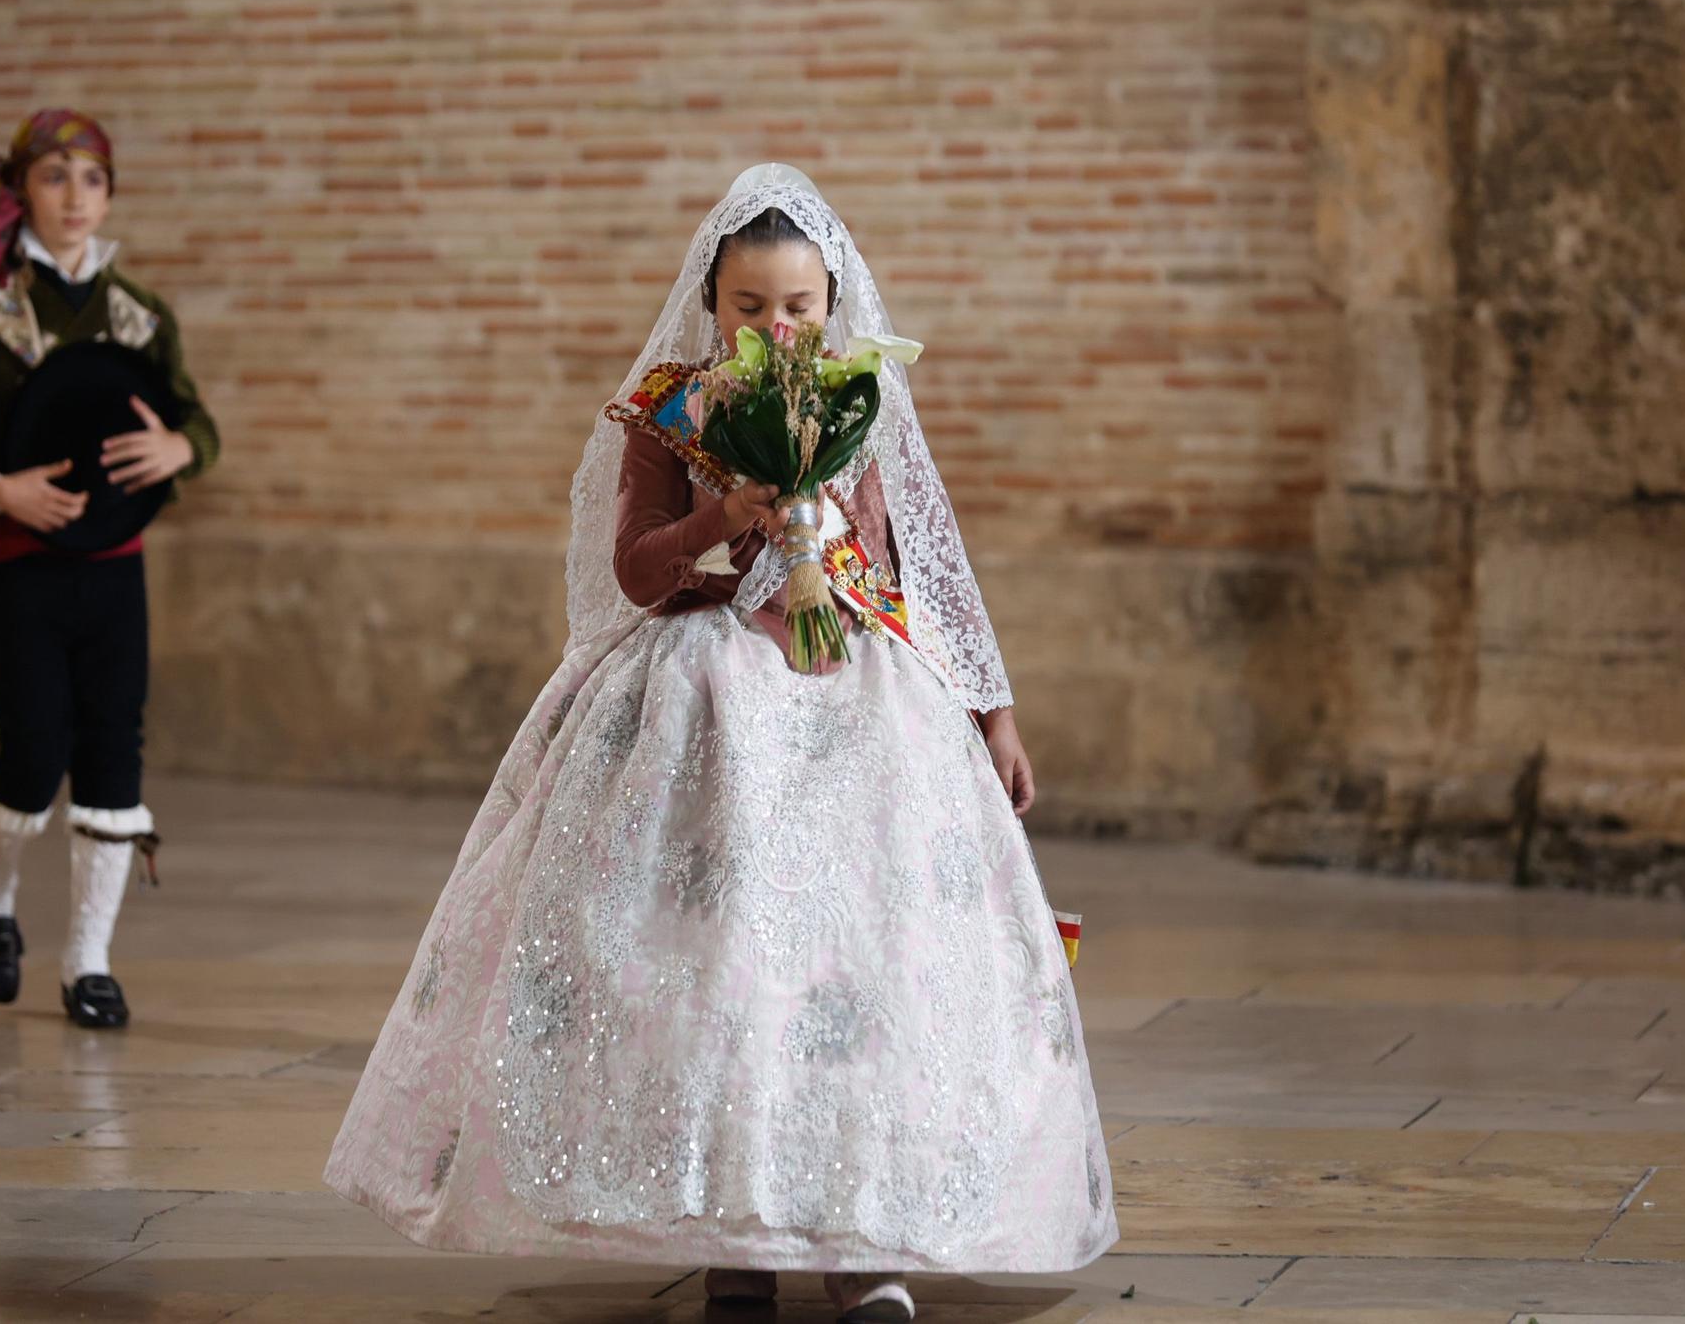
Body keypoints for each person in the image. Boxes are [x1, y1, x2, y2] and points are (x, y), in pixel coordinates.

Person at [324, 165, 1115, 1322]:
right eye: (750, 307)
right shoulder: (670, 408)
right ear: (712, 302)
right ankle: (732, 1247)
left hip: (857, 700)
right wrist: (723, 516)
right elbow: (636, 569)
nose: (774, 328)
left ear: (828, 304)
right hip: (705, 702)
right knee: (723, 972)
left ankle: (863, 1245)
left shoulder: (857, 401)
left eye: (795, 307)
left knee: (859, 969)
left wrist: (986, 710)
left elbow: (911, 575)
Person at [0, 108, 219, 1029]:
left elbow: (198, 423)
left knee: (114, 753)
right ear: (20, 191)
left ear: (110, 195)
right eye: (54, 175)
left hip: (115, 565)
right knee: (35, 754)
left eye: (91, 178)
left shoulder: (142, 315)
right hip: (16, 564)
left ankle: (88, 958)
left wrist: (179, 450)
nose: (75, 196)